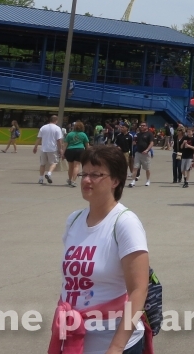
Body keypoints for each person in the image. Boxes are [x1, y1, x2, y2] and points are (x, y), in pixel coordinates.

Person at [54, 145, 150, 354]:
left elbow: (138, 290)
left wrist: (116, 348)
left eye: (96, 175)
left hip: (114, 344)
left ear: (116, 180)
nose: (87, 180)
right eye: (84, 173)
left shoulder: (125, 223)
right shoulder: (74, 220)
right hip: (74, 339)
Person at [33, 114, 64, 185]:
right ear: (56, 121)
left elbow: (39, 138)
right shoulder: (57, 128)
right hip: (52, 149)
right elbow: (59, 140)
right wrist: (61, 149)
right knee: (54, 163)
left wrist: (35, 147)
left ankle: (41, 179)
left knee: (42, 164)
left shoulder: (43, 127)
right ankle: (49, 174)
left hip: (43, 149)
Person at [63, 121, 90, 188]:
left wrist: (63, 153)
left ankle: (69, 179)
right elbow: (87, 145)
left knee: (70, 166)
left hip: (70, 150)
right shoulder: (83, 134)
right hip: (80, 150)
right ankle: (73, 181)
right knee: (76, 166)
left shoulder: (69, 134)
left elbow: (65, 144)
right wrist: (88, 153)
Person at [128, 122, 154, 188]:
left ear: (146, 126)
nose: (142, 127)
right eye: (141, 125)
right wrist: (134, 142)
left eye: (143, 125)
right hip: (138, 153)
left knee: (147, 168)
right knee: (135, 167)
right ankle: (133, 181)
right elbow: (135, 142)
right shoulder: (138, 134)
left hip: (146, 153)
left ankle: (148, 180)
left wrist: (147, 150)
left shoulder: (149, 134)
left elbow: (151, 143)